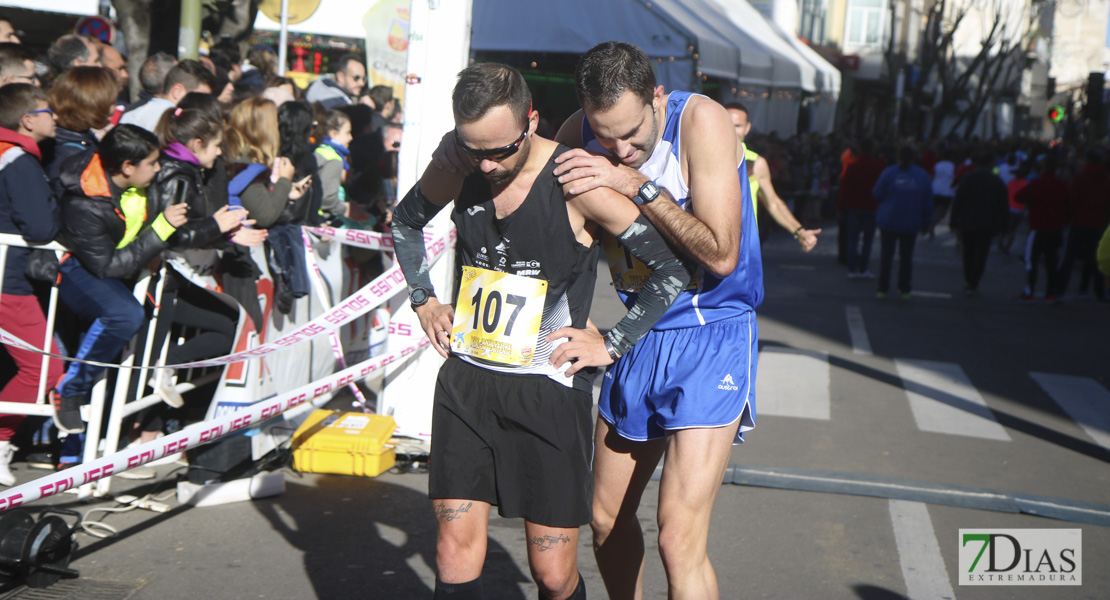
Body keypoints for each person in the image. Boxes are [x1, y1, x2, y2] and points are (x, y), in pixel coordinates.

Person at [392, 62, 689, 600]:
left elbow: (671, 268)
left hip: (547, 390)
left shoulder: (574, 181)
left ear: (531, 122)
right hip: (469, 383)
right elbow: (405, 221)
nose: (487, 163)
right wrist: (424, 299)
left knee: (552, 573)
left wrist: (612, 342)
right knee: (453, 550)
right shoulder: (460, 163)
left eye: (501, 150)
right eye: (473, 147)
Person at [553, 41, 763, 600]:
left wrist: (640, 187)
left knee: (677, 535)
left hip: (711, 330)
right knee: (602, 519)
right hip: (640, 333)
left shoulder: (702, 120)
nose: (619, 150)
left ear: (658, 99)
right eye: (606, 136)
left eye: (633, 135)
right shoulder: (579, 130)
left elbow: (720, 254)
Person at [51, 124, 188, 434]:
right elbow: (107, 265)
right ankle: (69, 390)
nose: (159, 168)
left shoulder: (139, 180)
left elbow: (176, 229)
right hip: (82, 270)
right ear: (127, 167)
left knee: (124, 325)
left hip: (122, 272)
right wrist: (159, 231)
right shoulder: (83, 202)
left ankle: (91, 454)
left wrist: (219, 227)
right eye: (152, 163)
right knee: (124, 315)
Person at [0, 83, 64, 485]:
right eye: (48, 110)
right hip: (8, 282)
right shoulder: (19, 161)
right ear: (27, 120)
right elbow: (40, 227)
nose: (54, 116)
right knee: (45, 369)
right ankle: (1, 439)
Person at [723, 102, 820, 251]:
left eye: (737, 126)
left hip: (743, 246)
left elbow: (773, 203)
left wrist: (799, 231)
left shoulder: (756, 163)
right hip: (708, 245)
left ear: (747, 128)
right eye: (727, 123)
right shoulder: (702, 158)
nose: (731, 130)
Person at [872, 145, 933, 299]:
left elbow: (877, 194)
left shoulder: (889, 173)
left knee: (886, 257)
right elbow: (927, 202)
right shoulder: (921, 175)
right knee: (906, 258)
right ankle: (904, 288)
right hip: (910, 222)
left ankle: (882, 288)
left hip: (889, 220)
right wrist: (926, 222)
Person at [44, 66, 120, 183]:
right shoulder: (70, 155)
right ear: (92, 104)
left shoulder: (70, 138)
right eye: (111, 103)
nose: (114, 110)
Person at [1055, 150, 1109, 302]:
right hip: (1097, 222)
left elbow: (1072, 199)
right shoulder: (1106, 179)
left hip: (1078, 221)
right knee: (1096, 259)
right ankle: (1099, 292)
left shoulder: (1079, 177)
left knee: (1068, 257)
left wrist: (1067, 218)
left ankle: (1060, 289)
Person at [951, 153, 1008, 295]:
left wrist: (954, 219)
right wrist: (1005, 226)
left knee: (968, 252)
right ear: (990, 163)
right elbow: (1003, 205)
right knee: (981, 254)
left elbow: (958, 200)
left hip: (968, 221)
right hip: (987, 223)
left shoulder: (968, 178)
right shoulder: (996, 181)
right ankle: (973, 281)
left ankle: (968, 279)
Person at [1015, 155, 1067, 302]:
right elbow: (1068, 204)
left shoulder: (1037, 183)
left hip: (1038, 226)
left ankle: (1030, 289)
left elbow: (1019, 196)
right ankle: (1051, 291)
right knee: (1051, 261)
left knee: (1032, 260)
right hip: (1056, 227)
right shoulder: (1061, 184)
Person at [119, 59, 215, 132]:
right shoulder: (176, 124)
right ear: (177, 91)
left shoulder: (129, 114)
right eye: (199, 98)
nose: (204, 104)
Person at [838, 138, 885, 278]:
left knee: (853, 239)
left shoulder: (853, 166)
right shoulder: (879, 166)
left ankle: (852, 269)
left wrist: (840, 207)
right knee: (868, 240)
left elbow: (844, 189)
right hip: (871, 206)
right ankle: (863, 268)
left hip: (854, 206)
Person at [929, 148, 956, 239]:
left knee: (936, 208)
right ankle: (932, 223)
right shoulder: (953, 166)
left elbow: (932, 176)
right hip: (947, 191)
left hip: (935, 189)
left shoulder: (937, 164)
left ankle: (931, 222)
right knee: (943, 211)